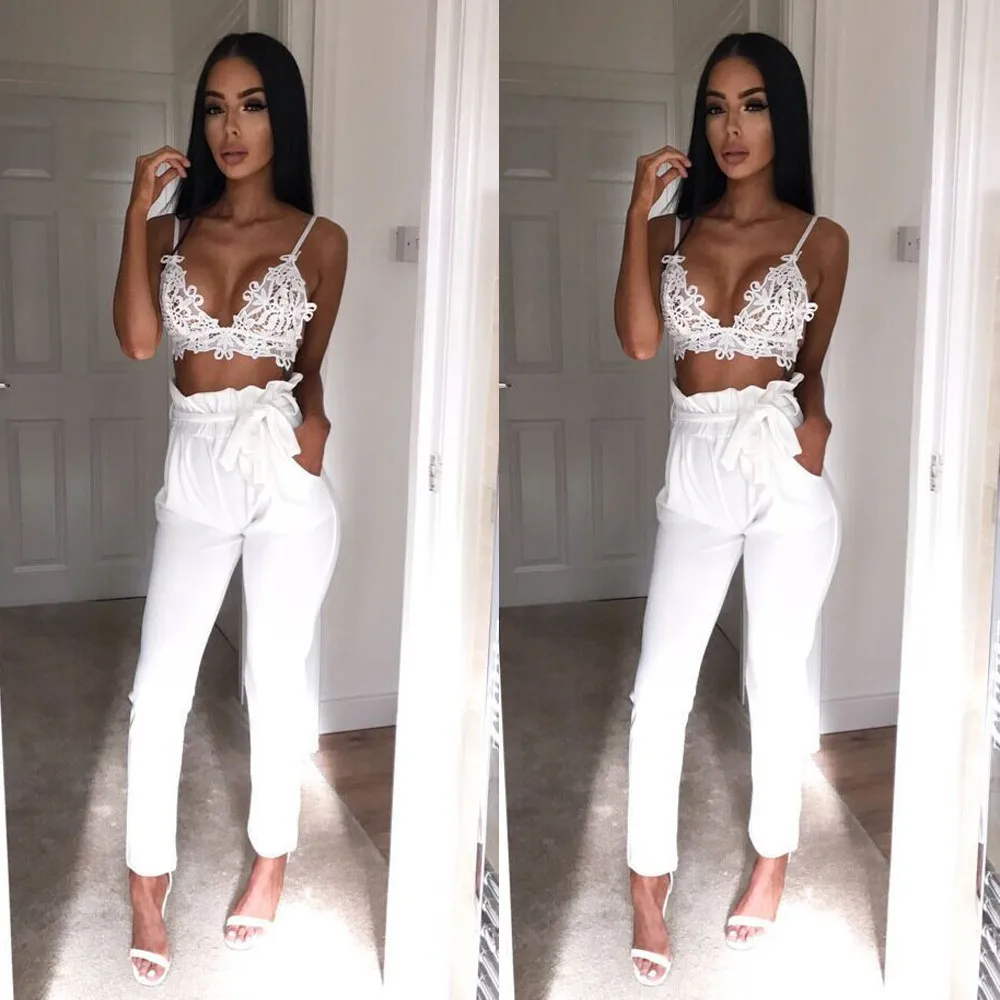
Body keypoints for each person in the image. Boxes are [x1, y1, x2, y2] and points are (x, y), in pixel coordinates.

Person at [112, 31, 348, 987]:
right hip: (197, 468)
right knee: (159, 685)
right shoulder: (168, 233)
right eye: (214, 107)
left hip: (282, 470)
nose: (230, 127)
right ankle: (146, 878)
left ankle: (271, 858)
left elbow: (309, 363)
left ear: (280, 117)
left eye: (251, 105)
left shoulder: (319, 239)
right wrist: (134, 214)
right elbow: (139, 344)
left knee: (273, 680)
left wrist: (318, 419)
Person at [613, 31, 849, 987]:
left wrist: (818, 421)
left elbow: (810, 363)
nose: (731, 127)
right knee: (660, 683)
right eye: (715, 107)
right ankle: (647, 877)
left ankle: (773, 858)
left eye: (752, 105)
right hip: (698, 466)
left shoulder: (821, 240)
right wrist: (635, 214)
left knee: (774, 678)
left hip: (783, 470)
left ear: (782, 117)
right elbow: (639, 344)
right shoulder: (671, 233)